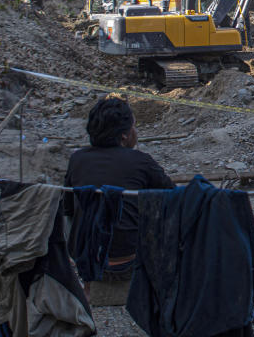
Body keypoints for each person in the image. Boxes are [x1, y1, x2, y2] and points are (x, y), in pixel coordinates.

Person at [64, 95, 174, 303]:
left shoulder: (77, 159)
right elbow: (174, 199)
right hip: (128, 263)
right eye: (134, 126)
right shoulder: (141, 161)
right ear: (124, 136)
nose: (136, 131)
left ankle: (88, 287)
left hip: (87, 259)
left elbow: (68, 210)